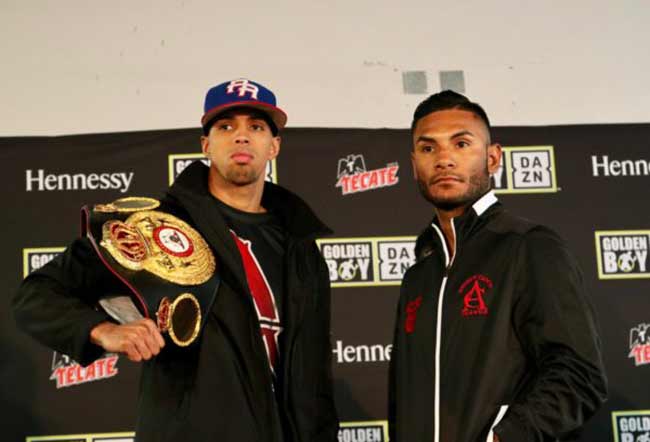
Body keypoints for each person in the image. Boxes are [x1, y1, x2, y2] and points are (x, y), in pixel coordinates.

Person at [13, 78, 339, 442]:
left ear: (274, 146)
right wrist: (103, 331)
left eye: (257, 127)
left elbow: (315, 377)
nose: (241, 137)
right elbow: (35, 296)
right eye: (226, 126)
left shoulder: (301, 247)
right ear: (206, 144)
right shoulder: (150, 226)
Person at [388, 90, 607, 442]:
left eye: (461, 144)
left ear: (492, 158)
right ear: (414, 165)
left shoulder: (529, 245)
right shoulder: (419, 275)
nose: (444, 159)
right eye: (429, 148)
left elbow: (579, 374)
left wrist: (504, 438)